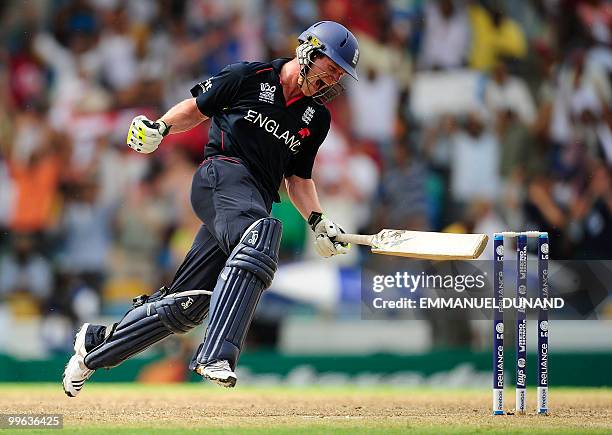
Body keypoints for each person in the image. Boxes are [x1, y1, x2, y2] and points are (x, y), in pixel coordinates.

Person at [62, 21, 360, 397]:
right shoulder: (249, 76)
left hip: (247, 204)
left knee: (185, 307)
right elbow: (198, 108)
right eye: (330, 66)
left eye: (338, 74)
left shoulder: (316, 119)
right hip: (220, 175)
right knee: (264, 232)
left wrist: (318, 221)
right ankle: (216, 353)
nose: (332, 79)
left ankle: (95, 347)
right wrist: (161, 128)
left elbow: (298, 179)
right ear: (308, 52)